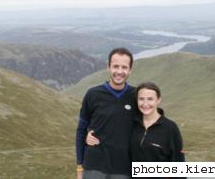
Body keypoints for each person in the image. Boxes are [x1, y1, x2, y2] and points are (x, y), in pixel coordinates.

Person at [87, 82, 185, 178]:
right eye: (141, 99)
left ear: (158, 100)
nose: (145, 104)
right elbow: (111, 134)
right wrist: (90, 136)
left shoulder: (170, 128)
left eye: (150, 99)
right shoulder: (131, 123)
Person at [75, 47, 137, 179]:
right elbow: (81, 131)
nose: (119, 72)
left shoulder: (136, 96)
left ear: (130, 69)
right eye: (115, 66)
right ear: (108, 67)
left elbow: (149, 129)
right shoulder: (92, 94)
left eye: (124, 67)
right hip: (94, 168)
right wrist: (79, 167)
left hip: (124, 169)